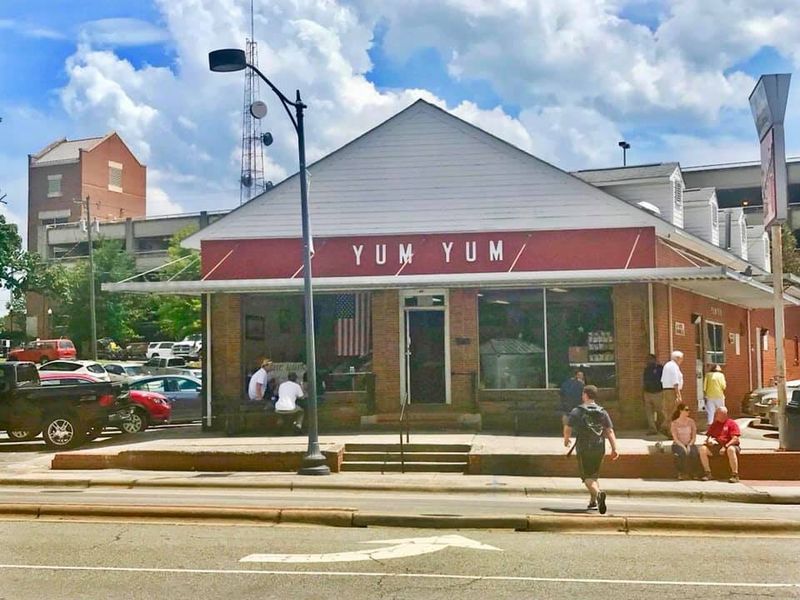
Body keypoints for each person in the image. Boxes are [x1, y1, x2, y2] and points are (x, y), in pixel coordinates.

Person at [563, 385, 620, 514]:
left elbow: (568, 427)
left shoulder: (578, 411)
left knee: (587, 477)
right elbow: (609, 431)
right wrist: (614, 448)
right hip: (599, 446)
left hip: (584, 447)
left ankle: (598, 494)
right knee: (593, 475)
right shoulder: (602, 411)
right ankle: (593, 501)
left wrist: (566, 439)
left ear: (585, 395)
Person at [698, 406, 741, 483]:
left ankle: (735, 474)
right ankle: (708, 473)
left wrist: (725, 446)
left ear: (724, 414)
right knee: (702, 449)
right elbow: (708, 437)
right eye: (716, 414)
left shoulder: (731, 423)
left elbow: (735, 438)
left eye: (717, 414)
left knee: (731, 449)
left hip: (730, 445)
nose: (715, 415)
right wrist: (709, 441)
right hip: (717, 446)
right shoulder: (715, 424)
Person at [670, 403, 698, 480]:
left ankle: (694, 473)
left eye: (689, 410)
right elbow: (675, 438)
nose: (688, 411)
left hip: (689, 443)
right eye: (686, 410)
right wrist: (683, 446)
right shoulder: (674, 423)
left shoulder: (691, 422)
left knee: (694, 453)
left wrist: (689, 445)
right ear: (680, 411)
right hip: (678, 444)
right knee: (681, 453)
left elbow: (694, 436)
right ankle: (681, 473)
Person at [660, 350, 684, 430]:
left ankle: (668, 429)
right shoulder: (673, 366)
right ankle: (665, 427)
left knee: (669, 411)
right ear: (677, 358)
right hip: (672, 391)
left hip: (666, 390)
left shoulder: (667, 365)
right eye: (681, 358)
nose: (682, 360)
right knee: (673, 411)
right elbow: (675, 381)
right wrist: (678, 395)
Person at [642, 354, 664, 435]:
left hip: (658, 393)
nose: (648, 361)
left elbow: (663, 380)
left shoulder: (660, 368)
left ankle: (662, 427)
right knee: (649, 412)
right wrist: (643, 393)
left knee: (660, 412)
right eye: (647, 359)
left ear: (654, 360)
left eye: (649, 359)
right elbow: (644, 381)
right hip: (647, 393)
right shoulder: (646, 369)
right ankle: (652, 429)